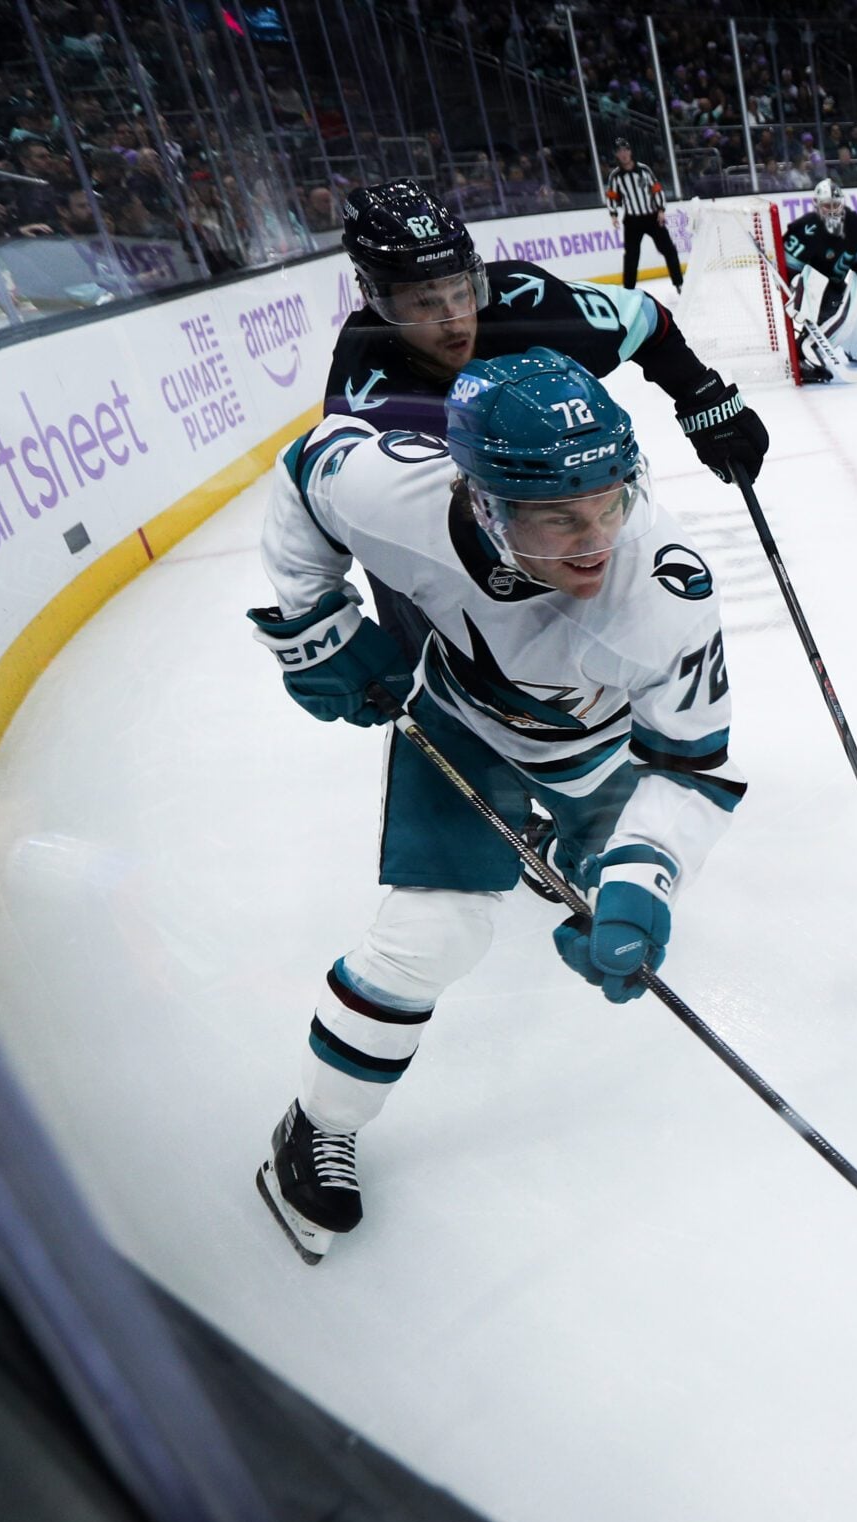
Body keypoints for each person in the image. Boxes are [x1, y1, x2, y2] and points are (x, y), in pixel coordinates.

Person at [248, 349, 746, 1261]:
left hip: (599, 760)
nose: (594, 538)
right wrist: (312, 623)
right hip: (462, 726)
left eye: (610, 501)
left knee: (618, 910)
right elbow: (307, 471)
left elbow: (691, 767)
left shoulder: (664, 596)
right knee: (434, 934)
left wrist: (644, 874)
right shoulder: (398, 499)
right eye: (558, 517)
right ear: (481, 499)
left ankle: (564, 839)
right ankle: (317, 1123)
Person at [323, 180, 768, 659]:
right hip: (465, 564)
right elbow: (344, 513)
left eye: (461, 290)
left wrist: (703, 398)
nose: (455, 320)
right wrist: (351, 630)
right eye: (425, 302)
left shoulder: (524, 300)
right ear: (374, 296)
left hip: (569, 541)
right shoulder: (365, 391)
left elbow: (645, 320)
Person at [780, 177, 857, 380]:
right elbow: (788, 270)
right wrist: (796, 288)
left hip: (835, 286)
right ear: (817, 205)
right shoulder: (805, 229)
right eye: (826, 205)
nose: (831, 210)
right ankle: (803, 351)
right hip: (809, 291)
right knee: (836, 306)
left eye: (835, 205)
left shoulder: (853, 224)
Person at [605, 140, 680, 289]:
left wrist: (661, 210)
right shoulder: (615, 176)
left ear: (630, 151)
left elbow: (656, 189)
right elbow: (612, 196)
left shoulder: (644, 170)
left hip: (652, 217)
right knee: (631, 256)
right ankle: (628, 290)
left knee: (669, 249)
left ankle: (679, 283)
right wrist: (613, 214)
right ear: (616, 155)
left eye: (625, 150)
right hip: (632, 220)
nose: (624, 154)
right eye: (620, 152)